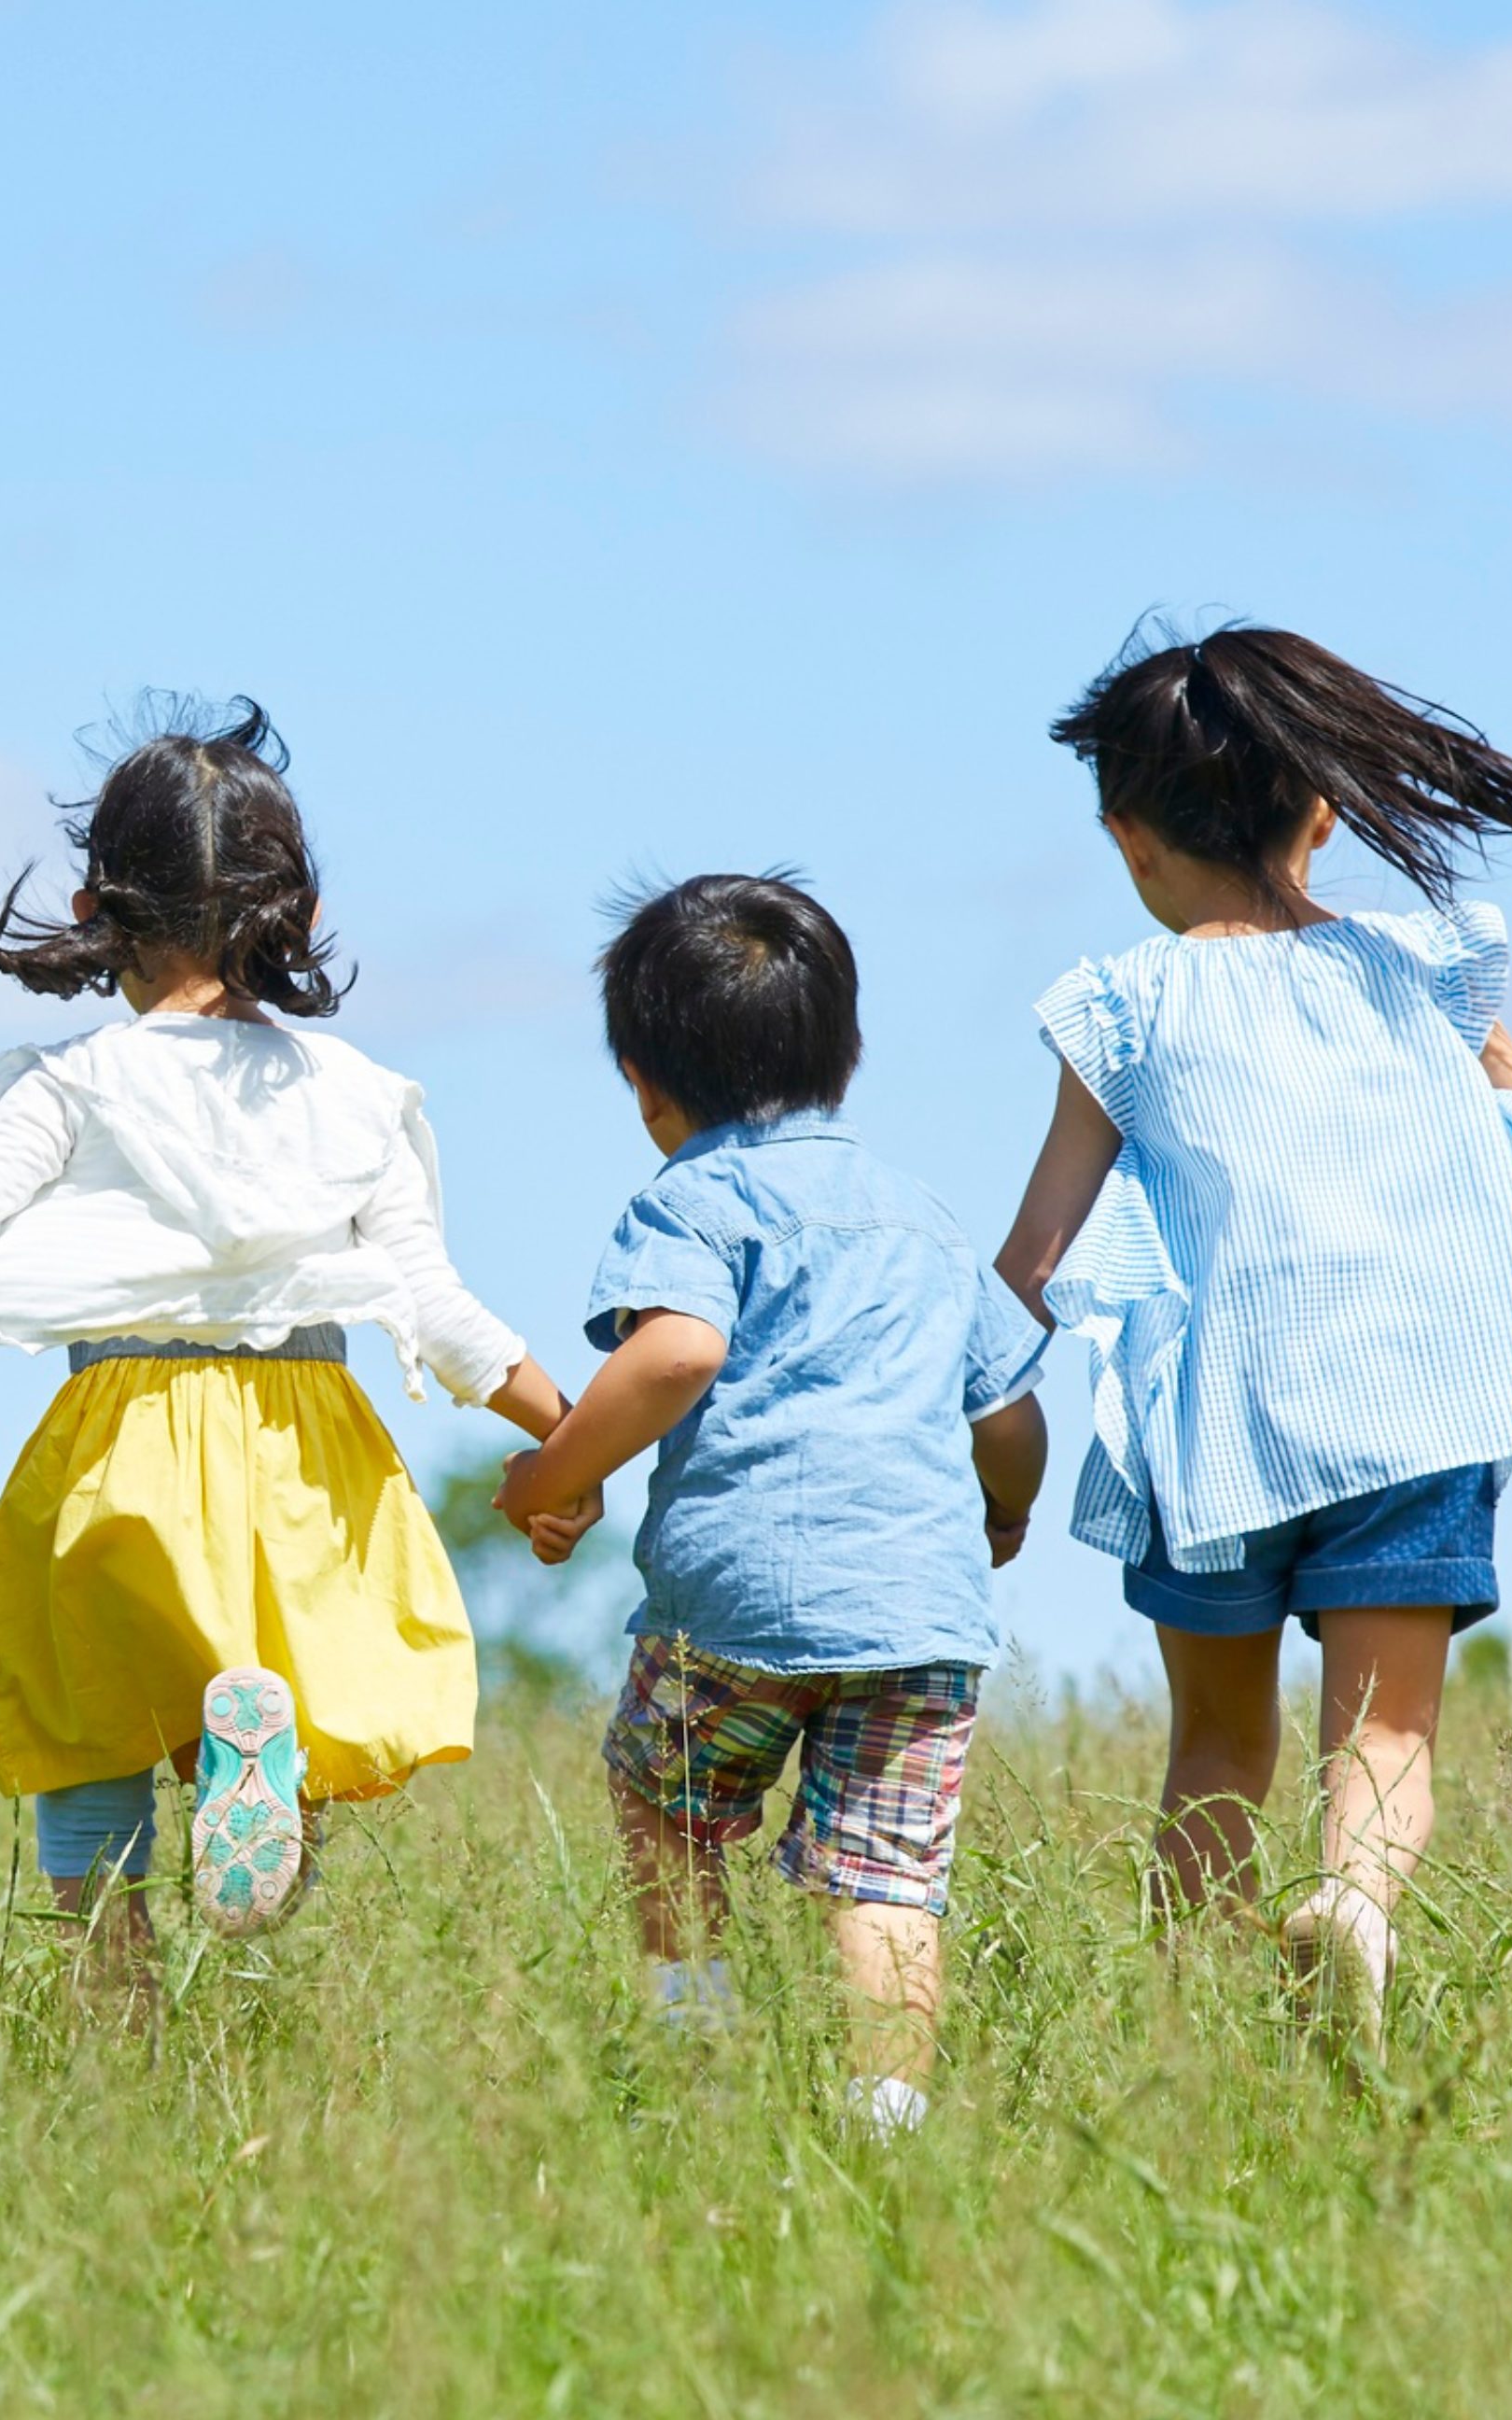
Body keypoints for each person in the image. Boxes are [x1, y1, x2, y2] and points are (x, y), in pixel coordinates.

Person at [0, 700, 567, 1977]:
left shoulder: (74, 1086)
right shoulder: (356, 1097)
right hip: (308, 1459)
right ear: (289, 907)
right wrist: (575, 1440)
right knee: (294, 1739)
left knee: (88, 1744)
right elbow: (437, 1310)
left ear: (94, 900)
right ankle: (257, 1767)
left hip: (124, 1447)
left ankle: (112, 2057)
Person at [992, 622, 1512, 2052]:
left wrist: (983, 1440)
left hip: (1216, 1430)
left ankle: (1186, 2029)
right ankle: (1355, 1910)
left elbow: (1037, 1257)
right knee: (1383, 1738)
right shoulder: (1424, 966)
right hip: (1418, 1404)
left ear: (1128, 838)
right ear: (1326, 810)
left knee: (1214, 1748)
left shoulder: (1124, 1003)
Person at [494, 875, 1048, 2134]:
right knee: (887, 1881)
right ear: (844, 1058)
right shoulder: (924, 1220)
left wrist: (550, 1473)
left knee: (665, 1801)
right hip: (921, 1614)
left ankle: (697, 2058)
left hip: (731, 1606)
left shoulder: (693, 1199)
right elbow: (1008, 1417)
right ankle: (886, 2120)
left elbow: (676, 1353)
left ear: (644, 1080)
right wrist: (1000, 1514)